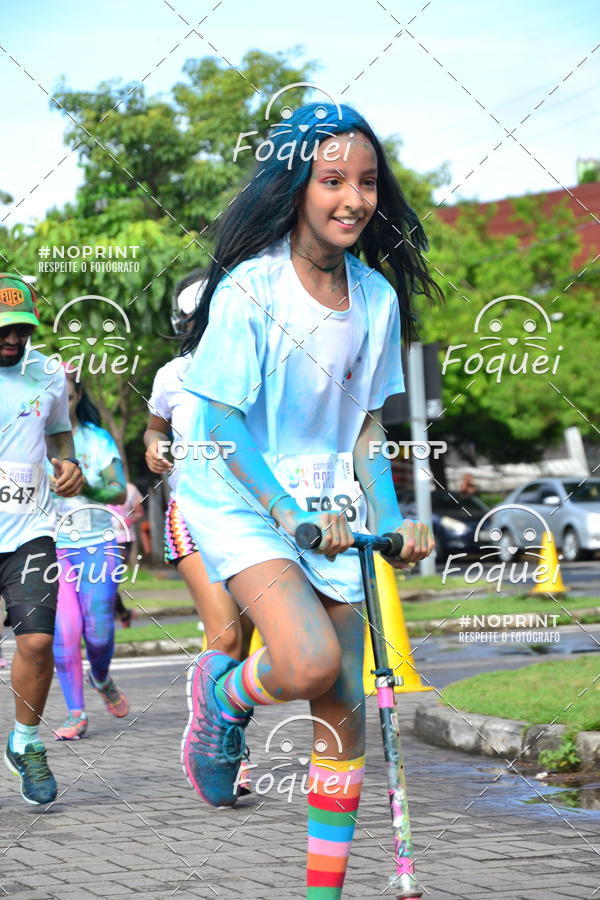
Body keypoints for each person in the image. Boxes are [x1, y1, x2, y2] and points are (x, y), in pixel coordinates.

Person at [176, 104, 438, 895]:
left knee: (345, 703)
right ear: (296, 188)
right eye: (332, 181)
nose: (353, 199)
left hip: (331, 511)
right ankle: (221, 692)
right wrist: (285, 508)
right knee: (308, 660)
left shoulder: (378, 300)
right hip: (240, 496)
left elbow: (365, 431)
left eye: (365, 182)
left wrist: (392, 523)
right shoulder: (251, 290)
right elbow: (218, 418)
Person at [0, 274, 83, 804]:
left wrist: (69, 463)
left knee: (36, 640)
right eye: (3, 331)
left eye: (21, 331)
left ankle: (27, 741)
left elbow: (58, 434)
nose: (12, 340)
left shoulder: (48, 374)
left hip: (31, 528)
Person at [144, 270, 250, 660]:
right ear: (184, 324)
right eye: (198, 321)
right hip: (189, 512)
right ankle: (206, 719)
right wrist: (155, 448)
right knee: (226, 638)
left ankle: (223, 718)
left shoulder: (255, 371)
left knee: (246, 638)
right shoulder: (172, 376)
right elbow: (154, 429)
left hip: (248, 514)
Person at [52, 372, 129, 740]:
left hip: (98, 541)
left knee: (98, 630)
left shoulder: (97, 439)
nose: (60, 405)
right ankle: (75, 713)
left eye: (66, 397)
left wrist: (90, 486)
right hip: (50, 545)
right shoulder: (30, 440)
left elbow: (118, 492)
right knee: (65, 630)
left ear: (77, 395)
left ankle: (100, 676)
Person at [108, 481, 144, 627]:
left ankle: (119, 614)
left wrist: (128, 520)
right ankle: (124, 613)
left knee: (111, 580)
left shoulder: (130, 488)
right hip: (101, 539)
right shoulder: (96, 485)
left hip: (123, 538)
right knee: (104, 580)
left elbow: (139, 511)